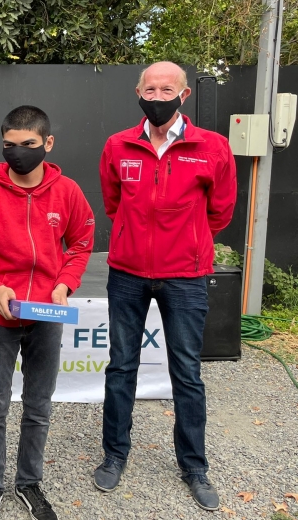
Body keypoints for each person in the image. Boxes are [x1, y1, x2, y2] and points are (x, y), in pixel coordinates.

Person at [94, 61, 237, 510]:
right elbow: (114, 202)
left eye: (167, 89)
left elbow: (221, 211)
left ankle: (194, 465)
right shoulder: (118, 146)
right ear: (138, 92)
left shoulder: (211, 148)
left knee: (187, 374)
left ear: (184, 95)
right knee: (121, 368)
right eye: (150, 89)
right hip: (128, 274)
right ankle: (115, 454)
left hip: (186, 277)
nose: (158, 97)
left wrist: (186, 244)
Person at [0, 106, 95, 520]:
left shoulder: (67, 192)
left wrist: (65, 284)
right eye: (10, 146)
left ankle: (30, 483)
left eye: (29, 145)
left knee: (38, 405)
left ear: (47, 144)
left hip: (47, 317)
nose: (19, 153)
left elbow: (82, 243)